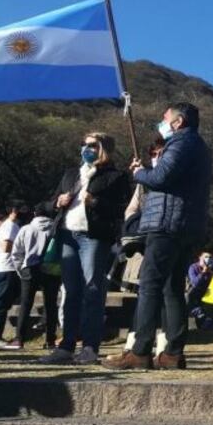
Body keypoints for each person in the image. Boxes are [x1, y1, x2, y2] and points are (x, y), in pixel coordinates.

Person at [104, 103, 212, 370]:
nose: (162, 122)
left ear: (178, 122)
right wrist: (149, 172)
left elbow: (161, 178)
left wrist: (140, 173)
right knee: (172, 288)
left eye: (165, 118)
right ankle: (172, 353)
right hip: (186, 225)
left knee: (150, 285)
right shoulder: (198, 146)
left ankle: (140, 350)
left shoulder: (180, 143)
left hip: (167, 223)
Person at [39, 133, 130, 365]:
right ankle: (66, 346)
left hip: (94, 237)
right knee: (70, 292)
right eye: (83, 145)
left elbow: (121, 210)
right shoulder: (71, 174)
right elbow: (47, 205)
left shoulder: (116, 177)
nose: (85, 149)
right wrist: (57, 203)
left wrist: (96, 202)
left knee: (92, 290)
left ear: (103, 149)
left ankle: (90, 347)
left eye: (91, 145)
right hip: (67, 235)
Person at [1, 203, 61, 350]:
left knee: (26, 304)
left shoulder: (27, 229)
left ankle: (19, 339)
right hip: (51, 269)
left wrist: (21, 269)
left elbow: (16, 252)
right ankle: (50, 340)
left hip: (29, 268)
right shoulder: (57, 229)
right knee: (51, 304)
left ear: (35, 213)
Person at [0, 202, 28, 342]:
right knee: (1, 304)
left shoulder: (8, 226)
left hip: (4, 268)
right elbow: (6, 247)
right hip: (7, 268)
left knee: (3, 303)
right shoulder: (9, 226)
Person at [187, 250, 213, 330]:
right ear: (200, 257)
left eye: (210, 257)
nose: (208, 259)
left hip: (210, 295)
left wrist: (211, 273)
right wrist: (203, 272)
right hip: (196, 295)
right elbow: (195, 283)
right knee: (199, 312)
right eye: (206, 257)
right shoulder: (193, 267)